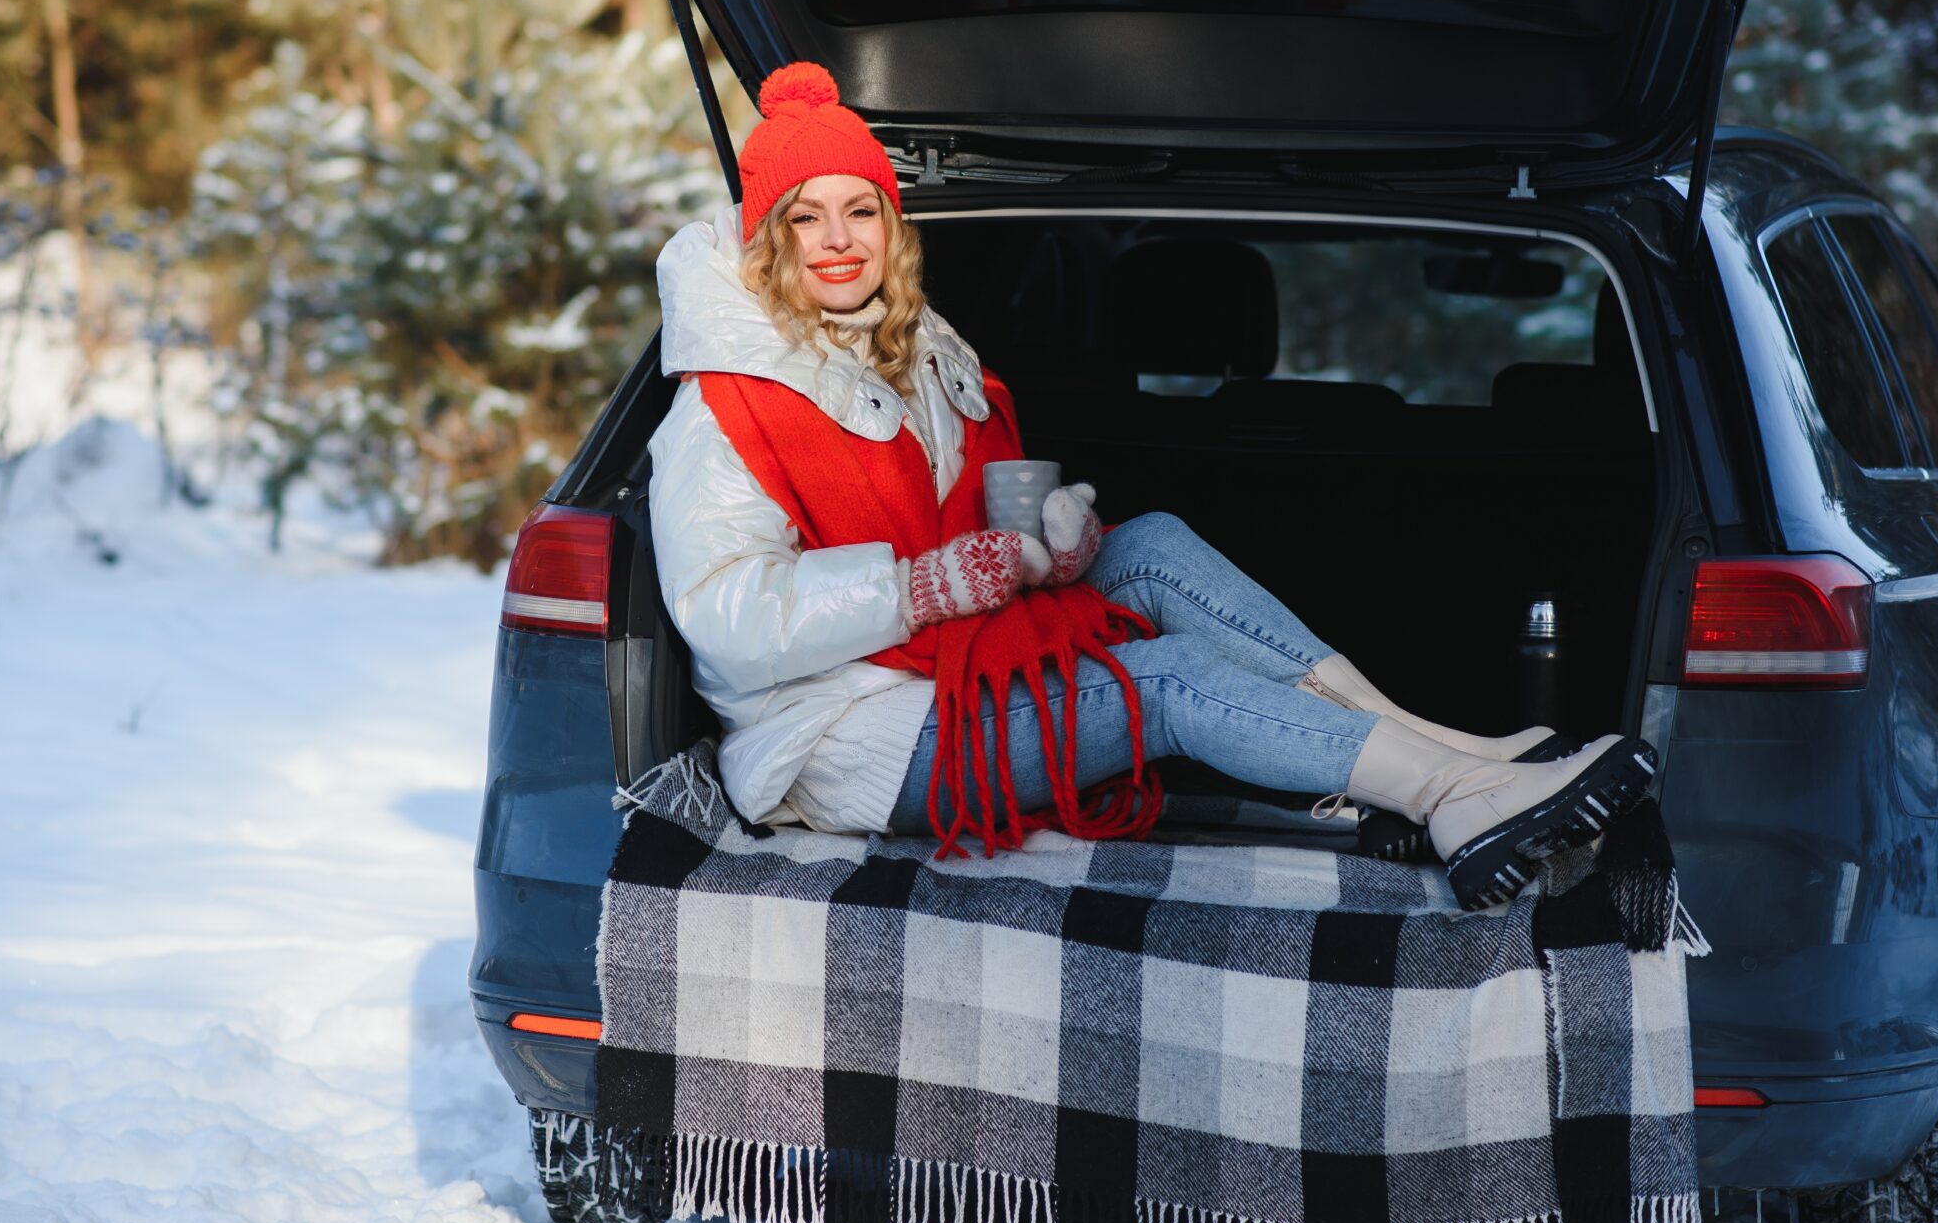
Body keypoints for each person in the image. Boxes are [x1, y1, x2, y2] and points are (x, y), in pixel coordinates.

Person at [645, 61, 1655, 908]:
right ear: (765, 235)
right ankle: (1450, 794)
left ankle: (1461, 755)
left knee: (1152, 542)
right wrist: (921, 585)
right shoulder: (725, 407)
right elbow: (725, 613)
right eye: (805, 216)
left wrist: (1047, 535)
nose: (836, 239)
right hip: (845, 731)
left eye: (859, 209)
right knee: (1165, 679)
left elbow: (977, 500)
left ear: (889, 222)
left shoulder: (911, 349)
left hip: (945, 658)